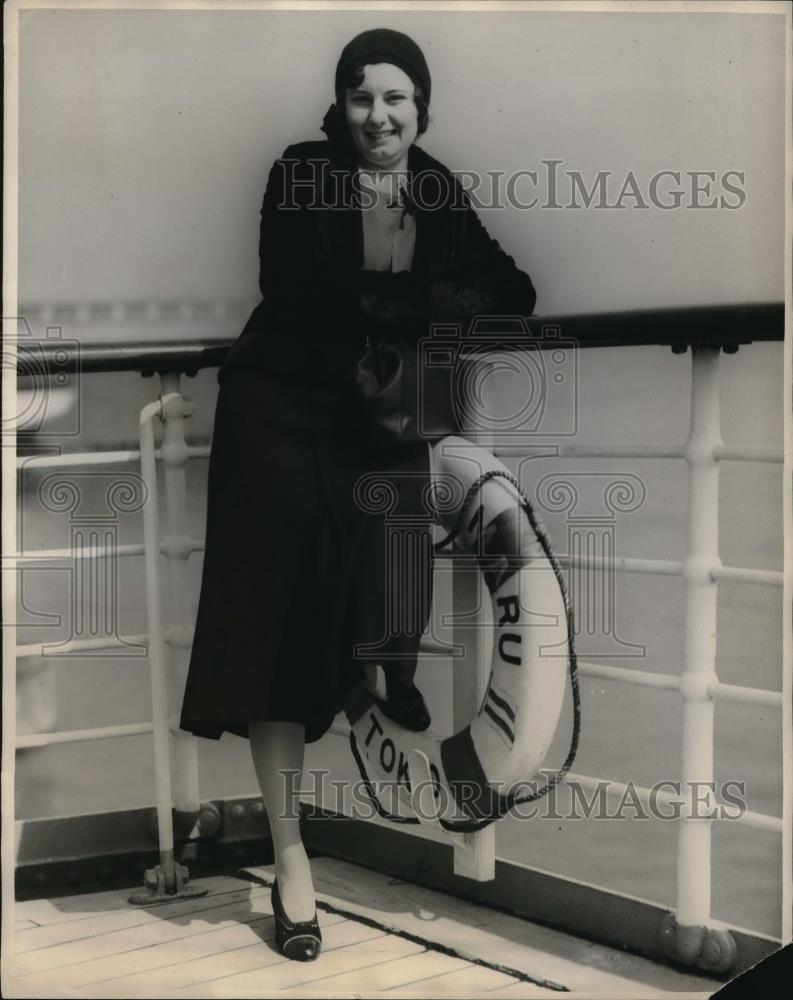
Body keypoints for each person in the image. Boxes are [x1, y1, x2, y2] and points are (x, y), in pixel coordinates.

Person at [179, 27, 536, 961]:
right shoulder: (300, 171)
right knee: (273, 641)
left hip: (374, 430)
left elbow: (513, 286)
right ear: (338, 106)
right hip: (277, 422)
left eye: (397, 99)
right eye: (361, 98)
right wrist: (426, 298)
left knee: (387, 596)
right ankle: (291, 863)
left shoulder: (437, 187)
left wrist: (404, 301)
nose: (379, 116)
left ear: (422, 108)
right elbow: (295, 289)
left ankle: (379, 668)